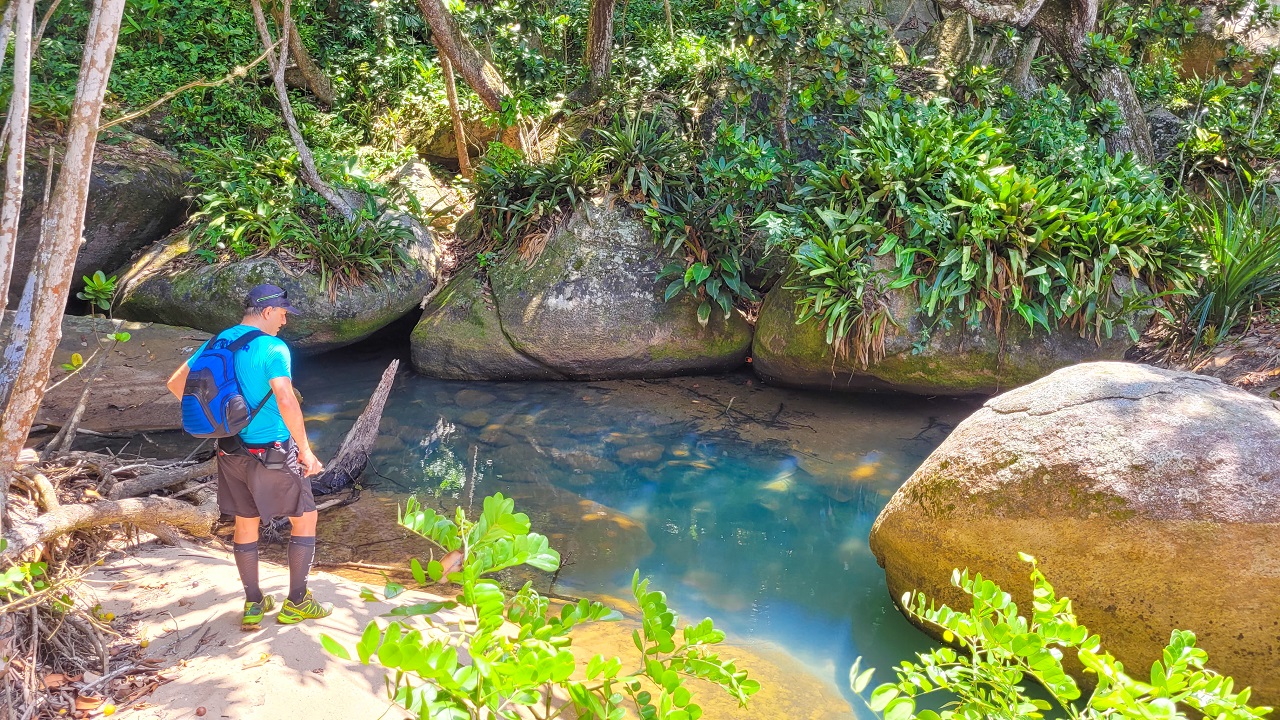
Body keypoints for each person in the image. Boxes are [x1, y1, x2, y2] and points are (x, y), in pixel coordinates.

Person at [165, 284, 332, 629]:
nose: (285, 321)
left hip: (229, 449)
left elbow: (176, 383)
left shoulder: (219, 340)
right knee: (305, 518)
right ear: (268, 311)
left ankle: (254, 604)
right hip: (272, 449)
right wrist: (306, 449)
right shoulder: (272, 347)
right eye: (284, 313)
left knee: (245, 522)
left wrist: (221, 420)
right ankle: (298, 601)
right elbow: (286, 398)